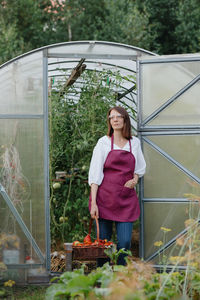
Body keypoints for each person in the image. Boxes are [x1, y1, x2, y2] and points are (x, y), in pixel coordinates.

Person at [88, 106, 146, 265]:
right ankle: (102, 279)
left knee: (125, 243)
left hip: (126, 200)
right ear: (109, 121)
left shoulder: (134, 143)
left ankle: (120, 278)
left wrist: (135, 179)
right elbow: (95, 174)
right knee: (103, 244)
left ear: (125, 119)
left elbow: (140, 168)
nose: (115, 119)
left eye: (118, 116)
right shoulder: (104, 142)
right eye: (111, 117)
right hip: (104, 199)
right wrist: (94, 203)